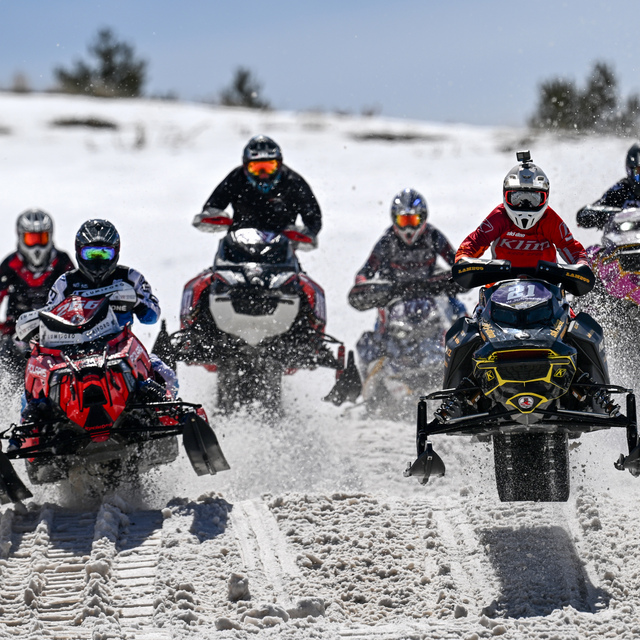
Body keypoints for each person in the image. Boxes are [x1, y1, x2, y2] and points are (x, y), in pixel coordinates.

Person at [438, 151, 595, 421]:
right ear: (505, 196)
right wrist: (468, 264)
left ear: (545, 199)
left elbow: (575, 251)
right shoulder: (498, 218)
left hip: (548, 295)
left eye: (534, 198)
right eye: (518, 198)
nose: (525, 205)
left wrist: (578, 269)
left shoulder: (551, 221)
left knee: (583, 328)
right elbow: (469, 247)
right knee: (465, 331)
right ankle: (459, 398)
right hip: (499, 295)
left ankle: (592, 393)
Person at [18, 219, 177, 424]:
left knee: (166, 373)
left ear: (116, 252)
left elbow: (152, 316)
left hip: (118, 344)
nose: (97, 262)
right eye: (90, 254)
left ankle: (170, 417)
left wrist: (137, 301)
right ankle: (26, 432)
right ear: (79, 252)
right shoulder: (65, 283)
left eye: (104, 254)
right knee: (33, 386)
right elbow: (50, 316)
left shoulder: (130, 277)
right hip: (72, 351)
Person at [348, 188, 465, 370]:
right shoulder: (387, 240)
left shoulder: (433, 235)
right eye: (404, 221)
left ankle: (465, 356)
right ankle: (373, 374)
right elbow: (366, 270)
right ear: (395, 219)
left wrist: (459, 275)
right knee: (379, 334)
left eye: (413, 220)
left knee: (461, 312)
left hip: (430, 291)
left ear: (423, 218)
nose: (409, 228)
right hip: (395, 296)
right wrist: (365, 288)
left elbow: (457, 261)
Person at [191, 134, 322, 248]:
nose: (263, 174)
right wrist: (214, 217)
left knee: (296, 276)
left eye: (269, 167)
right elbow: (212, 206)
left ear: (280, 165)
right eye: (256, 168)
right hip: (238, 244)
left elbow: (313, 216)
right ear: (245, 166)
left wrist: (303, 234)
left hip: (281, 247)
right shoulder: (236, 178)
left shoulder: (293, 182)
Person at [0, 209, 73, 379]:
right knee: (4, 355)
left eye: (41, 238)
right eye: (31, 239)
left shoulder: (62, 262)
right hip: (15, 333)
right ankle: (6, 398)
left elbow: (76, 295)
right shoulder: (11, 264)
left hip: (58, 330)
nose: (37, 246)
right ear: (20, 237)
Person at [576, 142, 640, 229]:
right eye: (639, 173)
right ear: (630, 170)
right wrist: (596, 215)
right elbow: (587, 213)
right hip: (621, 239)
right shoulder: (620, 190)